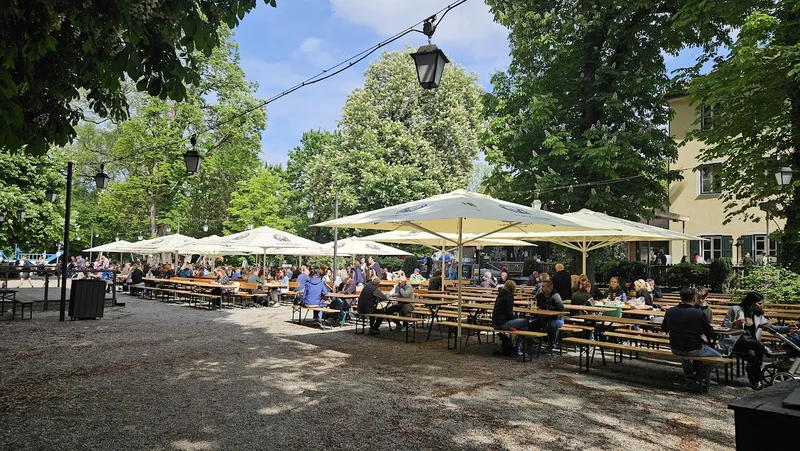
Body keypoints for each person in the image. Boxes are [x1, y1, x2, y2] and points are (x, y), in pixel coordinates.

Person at [720, 292, 794, 390]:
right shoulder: (735, 309)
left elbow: (771, 327)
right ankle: (766, 350)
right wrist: (734, 323)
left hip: (752, 343)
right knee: (759, 344)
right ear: (751, 302)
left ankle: (757, 380)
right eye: (759, 303)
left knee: (752, 354)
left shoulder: (758, 315)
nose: (761, 306)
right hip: (736, 340)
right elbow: (724, 325)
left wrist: (787, 328)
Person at [662, 287, 721, 389]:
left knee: (686, 357)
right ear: (694, 298)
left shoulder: (670, 311)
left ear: (681, 298)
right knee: (718, 357)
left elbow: (664, 328)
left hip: (675, 347)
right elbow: (710, 333)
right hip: (693, 348)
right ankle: (699, 375)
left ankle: (690, 378)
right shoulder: (699, 313)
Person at [492, 280, 529, 356]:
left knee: (522, 325)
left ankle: (517, 346)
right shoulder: (509, 297)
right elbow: (509, 314)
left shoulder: (500, 295)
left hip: (495, 322)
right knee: (525, 322)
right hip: (503, 323)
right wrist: (516, 316)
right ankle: (518, 347)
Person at [533, 280, 565, 350]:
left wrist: (549, 308)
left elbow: (561, 308)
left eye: (543, 286)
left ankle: (552, 344)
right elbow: (536, 304)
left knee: (551, 326)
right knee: (532, 324)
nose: (541, 288)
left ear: (549, 287)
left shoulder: (555, 296)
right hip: (544, 318)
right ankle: (534, 341)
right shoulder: (540, 296)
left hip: (557, 318)